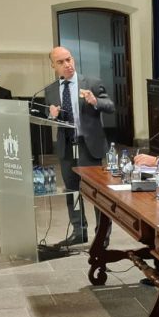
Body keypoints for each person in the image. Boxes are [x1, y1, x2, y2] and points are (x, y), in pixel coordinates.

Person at [46, 46, 115, 246]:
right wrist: (52, 114)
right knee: (72, 190)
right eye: (61, 62)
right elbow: (48, 116)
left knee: (96, 193)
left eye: (69, 59)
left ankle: (102, 236)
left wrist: (95, 102)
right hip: (67, 146)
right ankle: (79, 231)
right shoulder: (50, 90)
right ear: (53, 66)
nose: (67, 65)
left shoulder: (91, 83)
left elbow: (109, 106)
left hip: (88, 145)